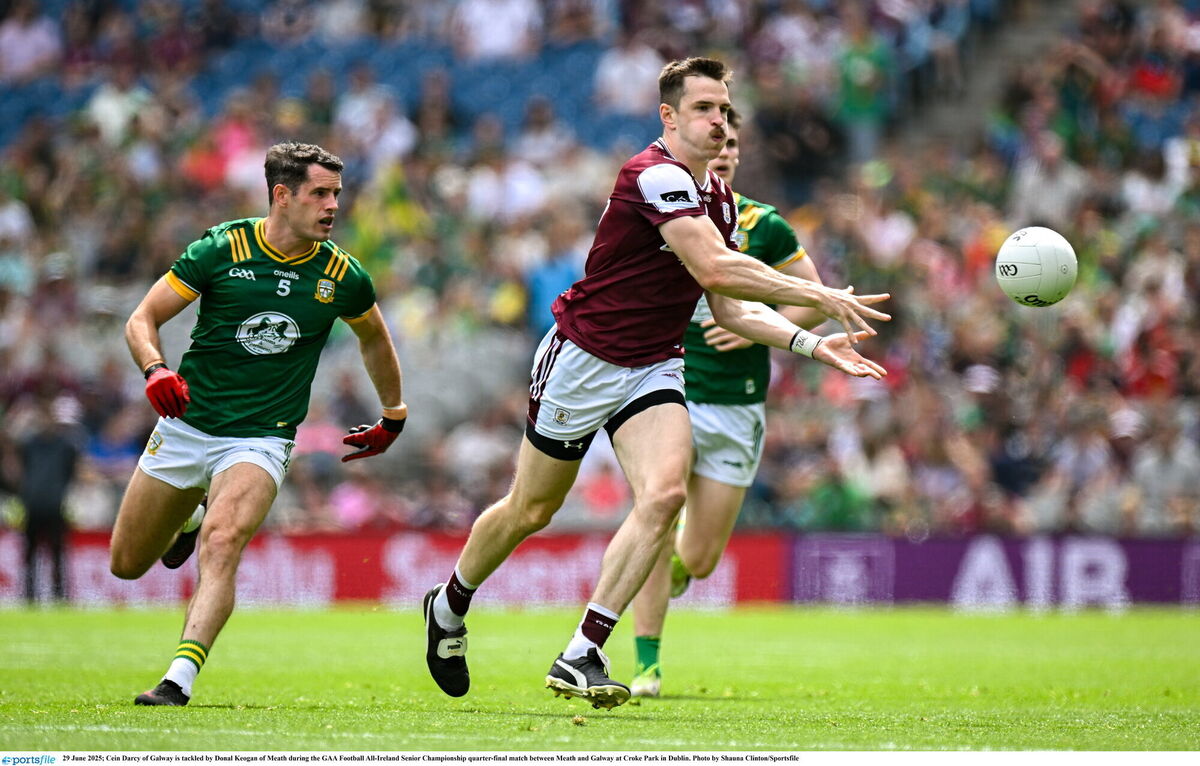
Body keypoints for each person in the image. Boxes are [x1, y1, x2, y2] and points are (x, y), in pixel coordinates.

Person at [421, 58, 890, 710]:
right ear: (668, 116)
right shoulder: (652, 175)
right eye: (704, 109)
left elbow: (725, 307)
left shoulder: (721, 199)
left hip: (655, 366)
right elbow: (714, 267)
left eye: (725, 110)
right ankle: (448, 603)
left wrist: (811, 342)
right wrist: (815, 292)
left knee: (666, 495)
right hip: (584, 360)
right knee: (531, 509)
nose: (719, 122)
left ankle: (584, 650)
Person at [111, 142, 406, 706]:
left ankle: (179, 678)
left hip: (261, 436)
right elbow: (141, 318)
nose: (332, 206)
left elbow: (375, 339)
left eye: (337, 194)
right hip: (186, 426)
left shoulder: (343, 275)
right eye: (320, 193)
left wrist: (394, 413)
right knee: (126, 564)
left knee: (223, 542)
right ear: (282, 195)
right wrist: (154, 370)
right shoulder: (221, 248)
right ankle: (189, 517)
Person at [628, 108, 835, 697]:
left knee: (699, 558)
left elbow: (815, 299)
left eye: (733, 143)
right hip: (668, 389)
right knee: (656, 515)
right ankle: (647, 663)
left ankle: (674, 569)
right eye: (715, 138)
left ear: (739, 155)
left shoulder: (763, 225)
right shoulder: (659, 209)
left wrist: (755, 324)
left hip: (738, 403)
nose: (722, 149)